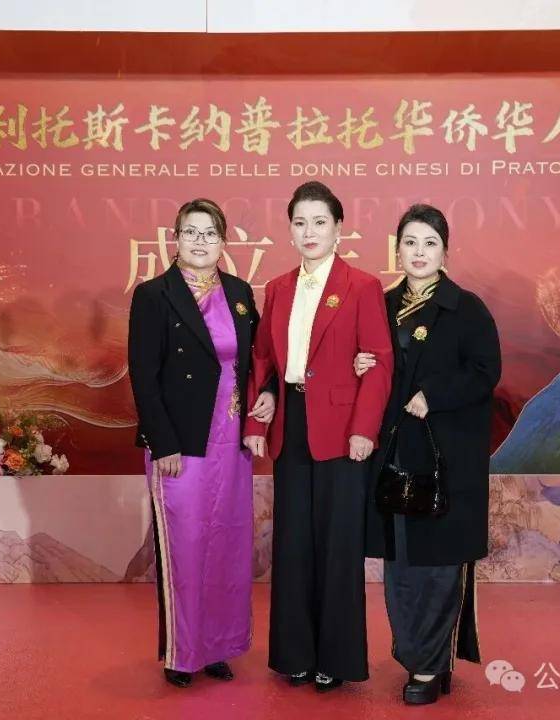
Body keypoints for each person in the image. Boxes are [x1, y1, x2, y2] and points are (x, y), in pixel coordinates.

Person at [243, 181, 393, 692]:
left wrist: (364, 430)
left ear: (338, 229)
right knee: (293, 544)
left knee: (338, 547)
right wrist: (257, 420)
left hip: (343, 432)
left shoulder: (362, 285)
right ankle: (295, 656)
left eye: (319, 222)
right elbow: (263, 359)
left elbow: (379, 364)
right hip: (291, 426)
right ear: (289, 230)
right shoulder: (278, 288)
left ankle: (335, 658)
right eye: (300, 223)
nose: (309, 232)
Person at [356, 203, 501, 705]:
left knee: (439, 564)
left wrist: (433, 395)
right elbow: (372, 368)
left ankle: (430, 664)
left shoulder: (467, 309)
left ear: (445, 252)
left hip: (446, 461)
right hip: (396, 459)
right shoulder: (380, 305)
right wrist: (360, 364)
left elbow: (485, 372)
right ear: (397, 249)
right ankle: (415, 654)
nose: (419, 253)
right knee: (400, 562)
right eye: (410, 243)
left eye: (430, 243)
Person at [128, 198, 274, 688]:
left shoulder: (238, 292)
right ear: (175, 238)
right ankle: (182, 651)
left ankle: (218, 647)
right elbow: (144, 377)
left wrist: (269, 395)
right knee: (186, 545)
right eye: (190, 232)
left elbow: (260, 360)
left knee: (227, 543)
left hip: (230, 440)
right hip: (181, 442)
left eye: (210, 233)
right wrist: (162, 442)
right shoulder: (154, 295)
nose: (200, 241)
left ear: (223, 241)